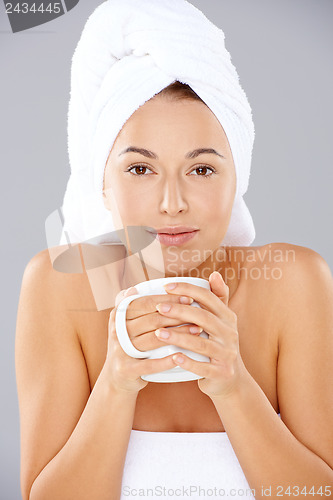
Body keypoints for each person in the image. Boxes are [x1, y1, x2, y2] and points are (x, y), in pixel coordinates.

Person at [15, 1, 333, 499]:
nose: (172, 204)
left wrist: (233, 385)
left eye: (202, 169)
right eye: (140, 169)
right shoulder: (59, 284)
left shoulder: (295, 280)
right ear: (103, 185)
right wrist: (116, 383)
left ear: (237, 180)